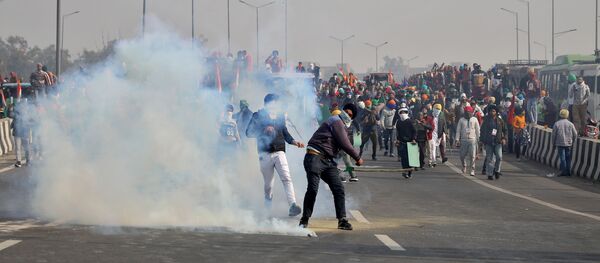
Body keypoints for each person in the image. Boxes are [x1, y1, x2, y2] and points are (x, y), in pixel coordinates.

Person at [299, 103, 364, 230]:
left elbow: (340, 146)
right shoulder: (336, 121)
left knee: (338, 188)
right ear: (342, 111)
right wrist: (357, 158)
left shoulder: (342, 126)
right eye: (347, 112)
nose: (347, 115)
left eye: (350, 115)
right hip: (315, 157)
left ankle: (342, 220)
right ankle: (304, 219)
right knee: (313, 189)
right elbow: (345, 143)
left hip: (328, 161)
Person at [246, 94, 304, 216]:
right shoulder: (257, 116)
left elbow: (285, 132)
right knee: (268, 185)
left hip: (279, 151)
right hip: (264, 153)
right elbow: (248, 132)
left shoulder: (280, 116)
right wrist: (263, 130)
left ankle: (292, 205)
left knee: (287, 178)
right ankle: (267, 205)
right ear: (267, 103)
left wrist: (294, 142)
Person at [480, 105, 507, 180]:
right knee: (489, 159)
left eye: (494, 111)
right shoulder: (486, 120)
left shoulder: (500, 121)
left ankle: (497, 171)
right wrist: (482, 141)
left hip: (498, 142)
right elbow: (482, 131)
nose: (492, 112)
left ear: (496, 112)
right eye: (491, 111)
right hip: (488, 142)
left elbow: (505, 130)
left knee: (499, 157)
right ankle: (490, 174)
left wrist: (504, 138)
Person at [455, 106, 480, 176]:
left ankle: (472, 169)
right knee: (462, 156)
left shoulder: (474, 119)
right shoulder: (461, 120)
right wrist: (457, 139)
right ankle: (464, 165)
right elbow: (458, 130)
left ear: (471, 112)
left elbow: (477, 130)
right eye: (466, 112)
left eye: (469, 112)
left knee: (472, 156)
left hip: (472, 140)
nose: (468, 113)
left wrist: (479, 138)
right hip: (463, 140)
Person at [552, 109, 577, 177]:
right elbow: (575, 134)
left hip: (560, 143)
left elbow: (553, 135)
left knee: (562, 158)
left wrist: (553, 143)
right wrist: (572, 141)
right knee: (568, 158)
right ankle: (568, 172)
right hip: (568, 143)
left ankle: (563, 171)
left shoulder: (557, 123)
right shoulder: (571, 124)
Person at [394, 107, 417, 178]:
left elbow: (414, 131)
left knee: (411, 159)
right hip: (402, 142)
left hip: (410, 142)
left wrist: (413, 139)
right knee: (403, 158)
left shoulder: (410, 121)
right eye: (401, 112)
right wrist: (397, 140)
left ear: (407, 113)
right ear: (399, 114)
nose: (403, 114)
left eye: (404, 112)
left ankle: (409, 172)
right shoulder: (399, 122)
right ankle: (404, 171)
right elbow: (397, 132)